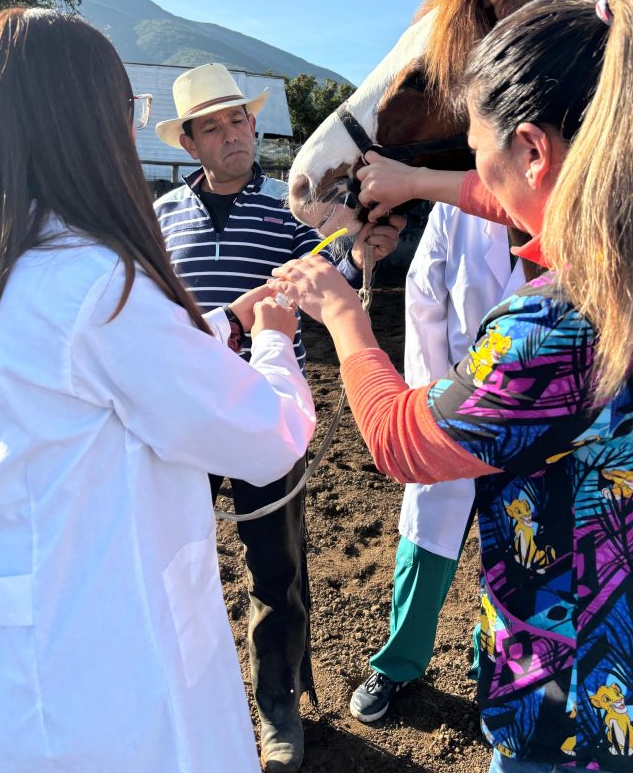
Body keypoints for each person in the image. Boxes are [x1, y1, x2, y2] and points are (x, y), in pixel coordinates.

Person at [270, 0, 633, 773]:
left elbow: (402, 442)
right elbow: (523, 202)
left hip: (575, 721)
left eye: (477, 148)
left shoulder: (554, 328)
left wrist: (342, 314)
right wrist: (415, 182)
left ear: (534, 151)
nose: (474, 174)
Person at [0, 9, 317, 773]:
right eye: (127, 109)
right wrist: (273, 339)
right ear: (84, 124)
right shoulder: (101, 280)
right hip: (104, 683)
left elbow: (112, 362)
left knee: (274, 568)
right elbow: (267, 433)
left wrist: (221, 321)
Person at [153, 63, 403, 773]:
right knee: (174, 561)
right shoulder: (161, 217)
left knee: (275, 568)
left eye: (238, 120)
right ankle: (185, 696)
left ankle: (278, 707)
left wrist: (360, 257)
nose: (232, 135)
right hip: (186, 418)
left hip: (269, 414)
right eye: (213, 127)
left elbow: (328, 282)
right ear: (190, 144)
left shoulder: (291, 211)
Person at [350, 204, 523, 722]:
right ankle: (398, 663)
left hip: (532, 415)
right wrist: (434, 403)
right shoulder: (455, 210)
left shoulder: (570, 199)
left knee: (518, 553)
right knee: (426, 544)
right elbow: (424, 299)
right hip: (453, 400)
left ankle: (494, 672)